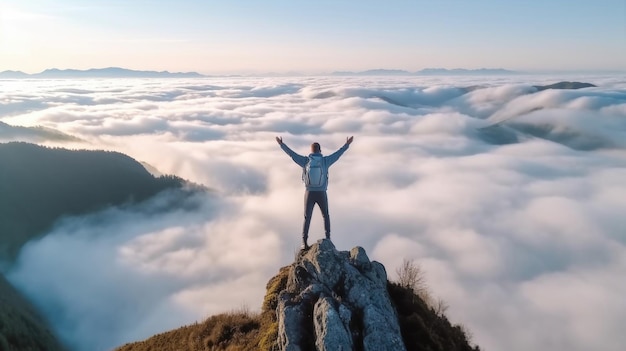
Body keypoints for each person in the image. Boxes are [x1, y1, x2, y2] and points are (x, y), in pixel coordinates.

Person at [276, 136, 354, 249]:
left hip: (309, 193)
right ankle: (328, 239)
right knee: (325, 215)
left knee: (307, 217)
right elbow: (338, 154)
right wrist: (347, 144)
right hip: (321, 193)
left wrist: (281, 145)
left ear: (311, 151)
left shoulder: (305, 161)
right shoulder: (325, 161)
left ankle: (304, 242)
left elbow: (291, 154)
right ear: (320, 150)